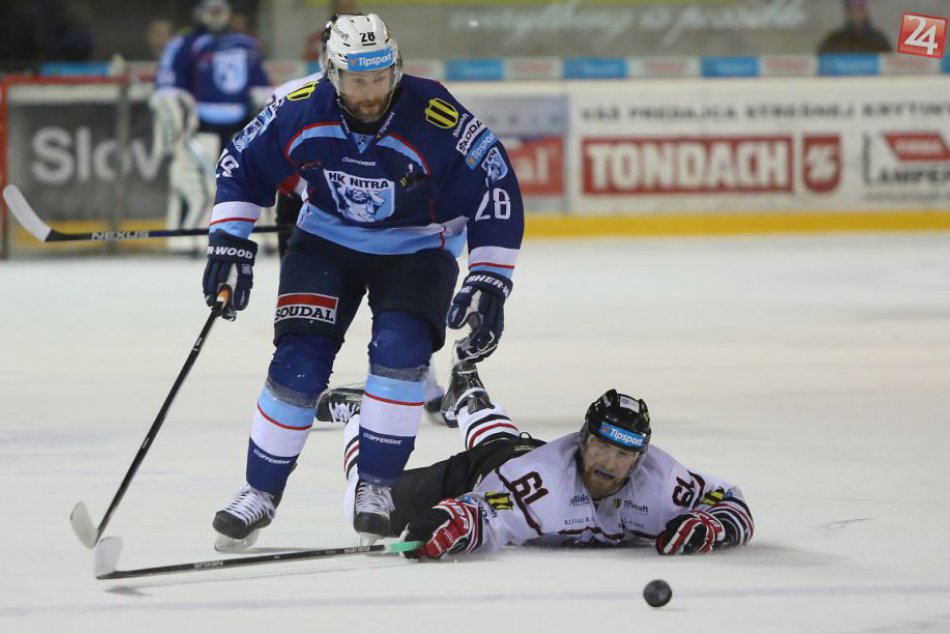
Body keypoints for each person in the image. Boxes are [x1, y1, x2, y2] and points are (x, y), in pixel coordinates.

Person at [203, 13, 524, 550]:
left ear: (394, 68)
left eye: (380, 77)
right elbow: (241, 162)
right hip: (325, 242)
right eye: (357, 79)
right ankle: (258, 493)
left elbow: (496, 183)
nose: (371, 92)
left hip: (418, 248)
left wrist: (490, 280)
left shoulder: (436, 113)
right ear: (332, 72)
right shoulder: (299, 104)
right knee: (298, 363)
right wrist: (229, 240)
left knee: (400, 354)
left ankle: (374, 486)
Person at [329, 362, 754, 558]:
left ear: (639, 458)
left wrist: (712, 525)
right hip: (496, 468)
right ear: (583, 440)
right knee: (364, 507)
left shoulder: (663, 484)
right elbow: (484, 511)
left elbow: (732, 502)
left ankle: (471, 400)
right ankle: (359, 416)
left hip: (521, 456)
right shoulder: (538, 484)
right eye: (601, 446)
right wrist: (455, 523)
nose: (608, 461)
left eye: (623, 453)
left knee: (512, 447)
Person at [150, 0, 270, 253]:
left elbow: (260, 87)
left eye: (221, 11)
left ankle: (245, 233)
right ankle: (183, 237)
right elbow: (168, 86)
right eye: (211, 11)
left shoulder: (245, 44)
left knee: (246, 181)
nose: (217, 17)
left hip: (240, 126)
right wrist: (178, 117)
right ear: (200, 14)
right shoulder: (185, 43)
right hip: (199, 125)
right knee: (193, 183)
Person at [817, 0, 891, 54]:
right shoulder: (833, 40)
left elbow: (889, 65)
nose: (856, 12)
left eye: (860, 7)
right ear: (846, 10)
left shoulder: (879, 40)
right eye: (852, 7)